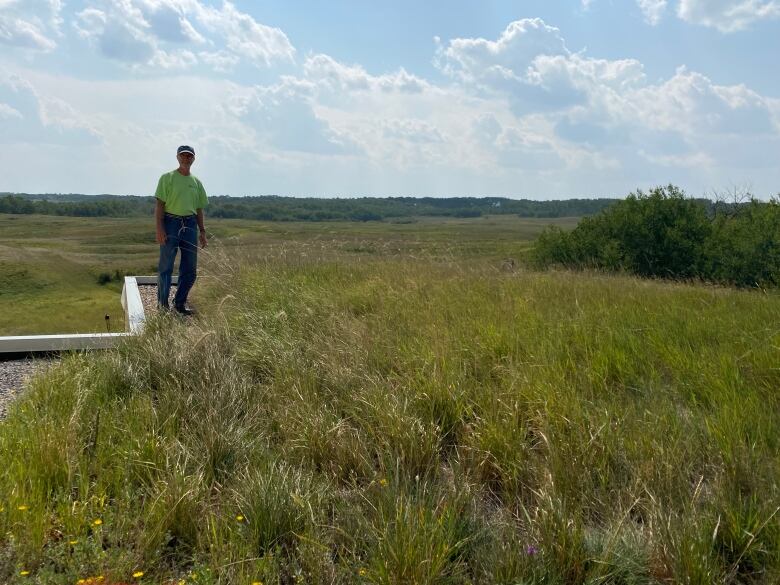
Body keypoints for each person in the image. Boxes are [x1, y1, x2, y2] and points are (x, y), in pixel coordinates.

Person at [155, 145, 208, 314]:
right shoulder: (167, 178)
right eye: (183, 155)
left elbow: (199, 209)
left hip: (190, 224)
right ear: (177, 157)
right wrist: (159, 228)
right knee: (166, 267)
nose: (186, 158)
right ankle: (162, 306)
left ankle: (179, 303)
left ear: (194, 158)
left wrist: (202, 231)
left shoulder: (196, 182)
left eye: (189, 156)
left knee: (190, 269)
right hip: (171, 222)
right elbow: (160, 205)